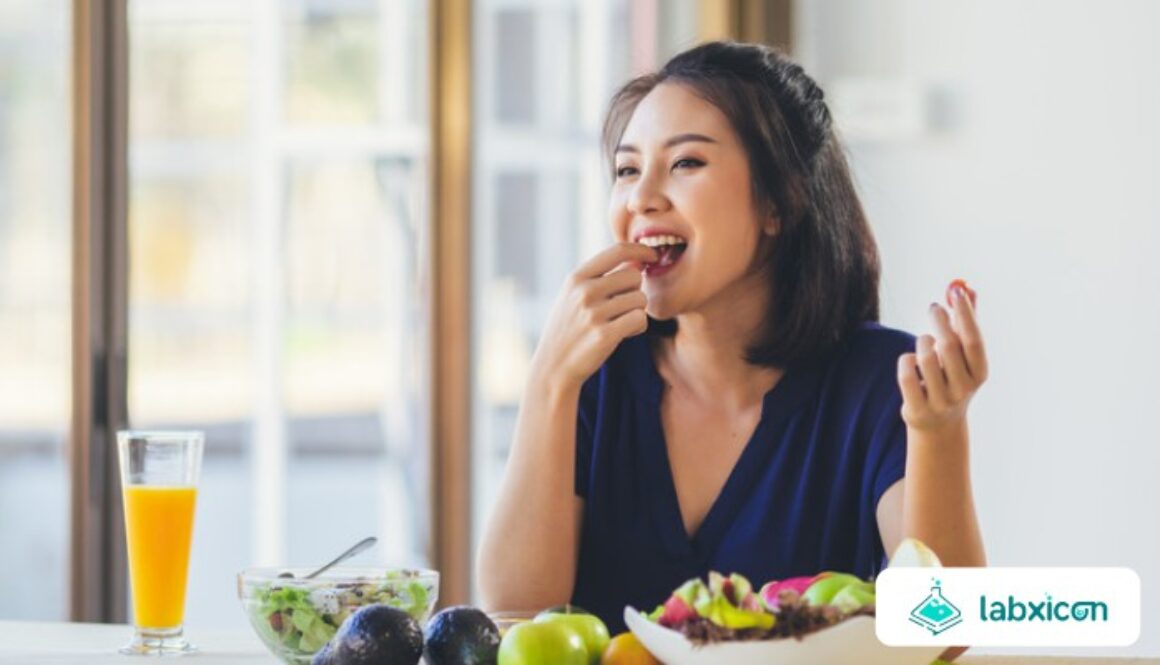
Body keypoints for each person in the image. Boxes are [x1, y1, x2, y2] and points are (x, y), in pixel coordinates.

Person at [476, 41, 987, 639]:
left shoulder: (881, 382)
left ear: (778, 201)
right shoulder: (595, 375)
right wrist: (549, 380)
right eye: (627, 170)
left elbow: (947, 633)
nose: (641, 198)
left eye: (685, 163)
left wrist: (939, 432)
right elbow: (514, 614)